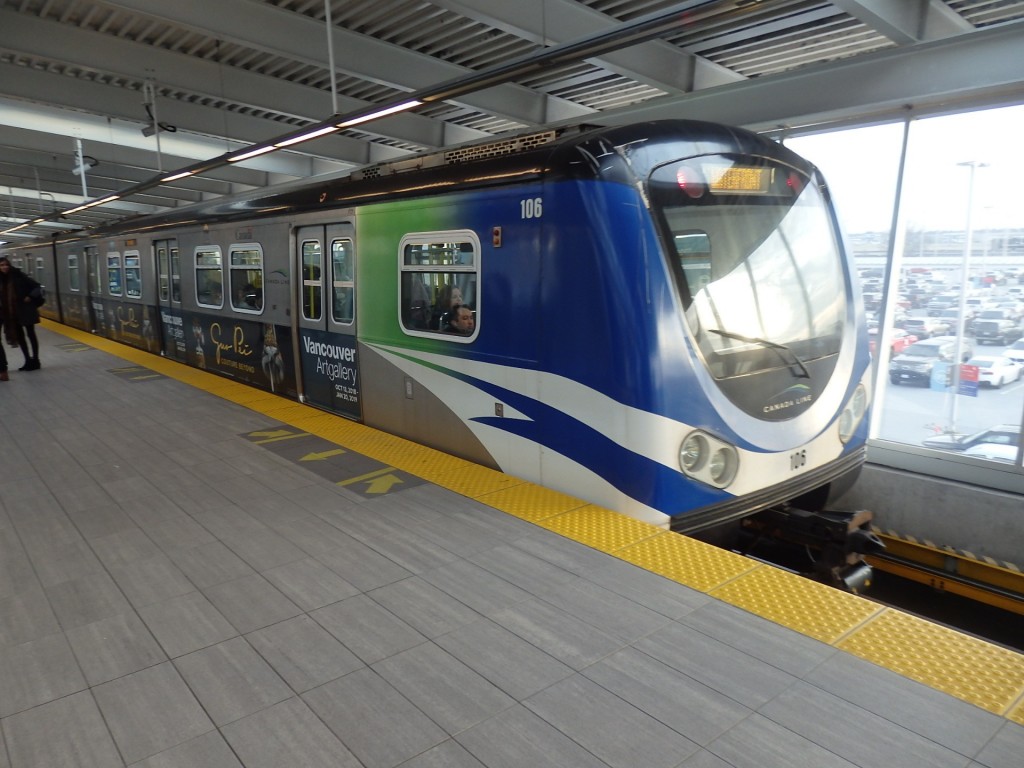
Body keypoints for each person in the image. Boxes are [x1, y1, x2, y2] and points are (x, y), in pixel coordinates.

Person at [0, 257, 42, 371]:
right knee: (20, 337)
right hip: (12, 313)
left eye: (6, 265)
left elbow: (37, 286)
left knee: (31, 335)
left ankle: (36, 360)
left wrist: (30, 296)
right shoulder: (1, 280)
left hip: (26, 309)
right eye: (2, 265)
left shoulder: (18, 276)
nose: (4, 267)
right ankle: (27, 360)